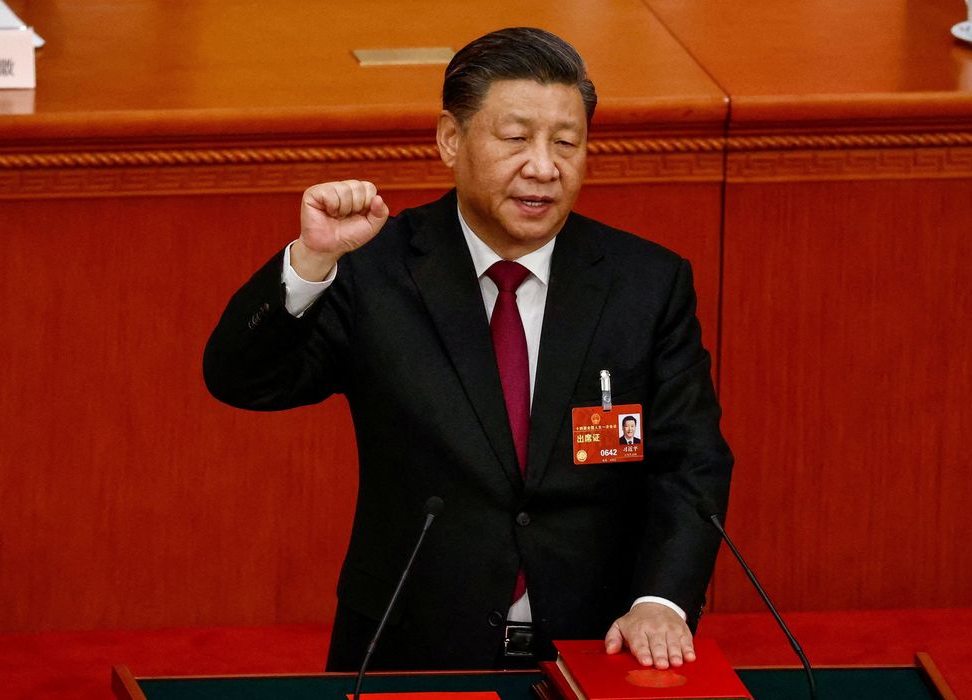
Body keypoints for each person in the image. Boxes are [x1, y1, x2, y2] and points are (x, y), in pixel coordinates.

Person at [204, 26, 733, 672]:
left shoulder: (645, 283)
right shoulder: (377, 270)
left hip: (595, 650)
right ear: (450, 140)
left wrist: (661, 600)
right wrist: (311, 260)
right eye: (515, 139)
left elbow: (691, 460)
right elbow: (241, 379)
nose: (543, 166)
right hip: (412, 649)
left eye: (566, 143)